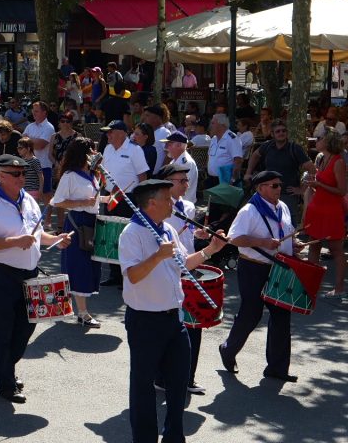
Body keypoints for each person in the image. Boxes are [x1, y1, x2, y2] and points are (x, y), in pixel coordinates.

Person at [119, 179, 224, 443]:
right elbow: (132, 275)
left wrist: (211, 250)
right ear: (151, 202)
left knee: (178, 384)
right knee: (142, 386)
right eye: (167, 198)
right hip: (145, 320)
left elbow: (183, 265)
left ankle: (174, 437)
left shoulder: (167, 230)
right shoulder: (131, 233)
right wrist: (156, 256)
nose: (173, 202)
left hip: (174, 319)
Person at [0, 154, 72, 403]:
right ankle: (6, 382)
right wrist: (15, 242)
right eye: (16, 174)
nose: (22, 178)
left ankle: (2, 366)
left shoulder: (27, 199)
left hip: (29, 274)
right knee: (1, 330)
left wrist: (56, 239)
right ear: (1, 176)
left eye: (23, 173)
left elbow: (36, 234)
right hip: (0, 274)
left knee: (26, 327)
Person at [219, 171, 302, 383]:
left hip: (278, 267)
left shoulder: (282, 207)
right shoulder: (249, 210)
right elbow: (234, 238)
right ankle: (228, 350)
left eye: (279, 184)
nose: (279, 188)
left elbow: (288, 232)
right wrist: (263, 242)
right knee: (251, 313)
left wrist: (293, 244)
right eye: (274, 185)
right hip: (253, 267)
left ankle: (277, 367)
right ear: (260, 188)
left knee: (282, 316)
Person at [156, 163, 212, 395]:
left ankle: (188, 377)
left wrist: (198, 234)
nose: (186, 185)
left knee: (193, 325)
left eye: (186, 181)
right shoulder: (158, 210)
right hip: (167, 273)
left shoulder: (188, 207)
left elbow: (188, 238)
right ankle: (161, 377)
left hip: (188, 269)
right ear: (167, 183)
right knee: (166, 328)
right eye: (181, 181)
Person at [49, 137, 102, 327]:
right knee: (79, 266)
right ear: (84, 153)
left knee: (88, 266)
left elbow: (92, 199)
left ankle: (73, 307)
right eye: (92, 151)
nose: (95, 154)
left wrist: (104, 199)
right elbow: (58, 201)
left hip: (91, 221)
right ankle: (83, 313)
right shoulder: (70, 175)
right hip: (78, 222)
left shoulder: (93, 173)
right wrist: (82, 203)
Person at [302, 132, 346, 297]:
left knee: (336, 249)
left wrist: (318, 184)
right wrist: (313, 185)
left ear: (329, 141)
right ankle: (310, 285)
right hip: (317, 209)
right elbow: (320, 186)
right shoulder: (320, 158)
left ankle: (339, 288)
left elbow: (342, 191)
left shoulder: (338, 161)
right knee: (313, 246)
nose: (316, 140)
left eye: (320, 138)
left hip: (331, 212)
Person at [22, 101, 55, 201]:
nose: (33, 113)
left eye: (36, 111)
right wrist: (33, 141)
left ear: (44, 112)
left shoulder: (49, 127)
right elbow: (22, 144)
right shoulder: (29, 126)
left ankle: (47, 217)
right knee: (29, 196)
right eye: (33, 111)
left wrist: (28, 139)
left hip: (44, 166)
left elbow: (40, 145)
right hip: (28, 166)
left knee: (46, 196)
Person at [161, 132, 199, 204]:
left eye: (169, 145)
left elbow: (181, 188)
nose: (166, 148)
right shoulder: (175, 161)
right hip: (177, 203)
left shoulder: (186, 163)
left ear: (178, 145)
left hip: (183, 205)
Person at [206, 113, 243, 187]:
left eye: (213, 123)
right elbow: (209, 157)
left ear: (221, 125)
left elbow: (238, 161)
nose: (210, 126)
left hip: (225, 181)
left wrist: (233, 180)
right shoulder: (213, 139)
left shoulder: (232, 138)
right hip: (211, 179)